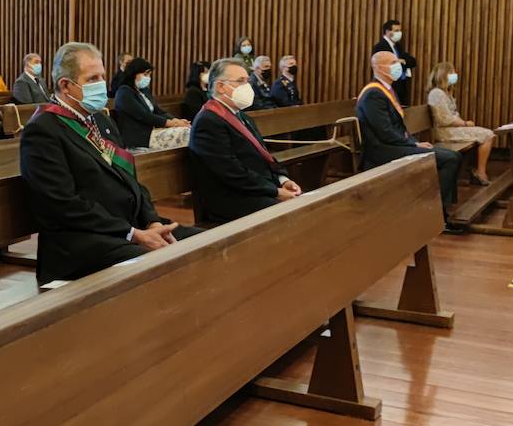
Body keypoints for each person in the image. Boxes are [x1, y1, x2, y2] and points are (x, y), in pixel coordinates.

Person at [19, 41, 203, 282]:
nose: (102, 85)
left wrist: (152, 221)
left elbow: (132, 182)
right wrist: (133, 234)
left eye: (102, 76)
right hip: (81, 243)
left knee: (204, 242)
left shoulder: (102, 122)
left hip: (126, 230)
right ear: (66, 85)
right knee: (160, 264)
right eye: (93, 78)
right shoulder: (43, 130)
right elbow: (62, 205)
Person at [189, 57, 302, 223]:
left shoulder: (242, 116)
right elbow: (231, 171)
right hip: (230, 199)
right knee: (292, 214)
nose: (247, 87)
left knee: (304, 206)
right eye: (240, 81)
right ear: (220, 86)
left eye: (247, 81)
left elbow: (263, 155)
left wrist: (282, 180)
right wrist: (275, 191)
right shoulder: (209, 121)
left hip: (252, 190)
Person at [358, 51, 461, 229]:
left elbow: (399, 128)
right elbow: (386, 132)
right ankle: (434, 214)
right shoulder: (373, 94)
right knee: (450, 159)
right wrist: (412, 144)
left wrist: (415, 142)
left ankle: (438, 212)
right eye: (392, 62)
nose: (398, 65)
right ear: (378, 68)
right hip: (382, 150)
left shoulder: (386, 90)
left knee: (452, 156)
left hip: (394, 145)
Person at [426, 63, 495, 185]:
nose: (454, 75)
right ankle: (480, 172)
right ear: (443, 75)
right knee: (488, 135)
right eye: (451, 72)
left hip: (451, 129)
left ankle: (472, 170)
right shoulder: (436, 93)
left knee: (481, 136)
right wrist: (465, 123)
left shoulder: (445, 92)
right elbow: (444, 120)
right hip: (444, 132)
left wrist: (464, 124)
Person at [113, 57, 190, 149]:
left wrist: (176, 120)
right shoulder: (124, 92)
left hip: (152, 131)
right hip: (139, 136)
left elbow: (158, 111)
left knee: (188, 130)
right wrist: (172, 123)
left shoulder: (144, 91)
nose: (148, 78)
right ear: (134, 73)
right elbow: (143, 115)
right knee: (186, 134)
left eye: (149, 75)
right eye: (145, 74)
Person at [372, 19, 418, 106]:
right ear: (387, 31)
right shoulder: (380, 47)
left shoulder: (397, 46)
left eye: (399, 30)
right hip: (389, 85)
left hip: (401, 85)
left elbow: (412, 61)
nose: (399, 33)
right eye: (396, 30)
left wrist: (403, 61)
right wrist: (398, 62)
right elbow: (382, 67)